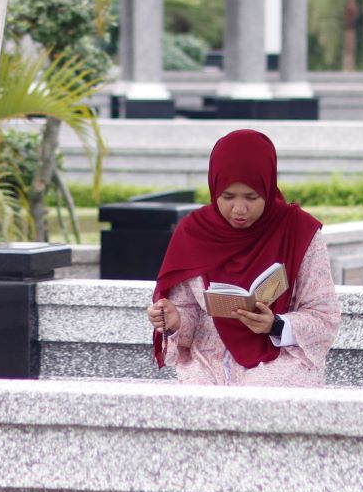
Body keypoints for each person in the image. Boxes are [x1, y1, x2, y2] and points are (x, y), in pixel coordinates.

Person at [146, 128, 340, 387]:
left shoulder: (298, 231)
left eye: (252, 197)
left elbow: (324, 316)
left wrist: (276, 324)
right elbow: (188, 313)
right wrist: (175, 320)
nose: (239, 209)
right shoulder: (193, 233)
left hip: (279, 359)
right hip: (208, 358)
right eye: (227, 197)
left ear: (268, 188)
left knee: (269, 395)